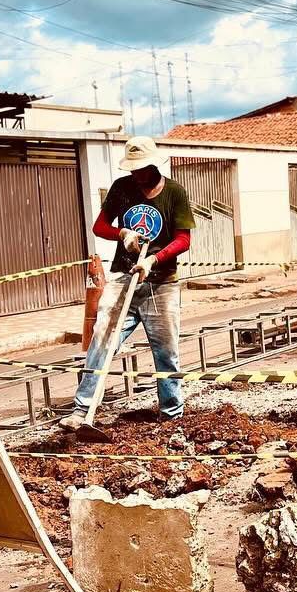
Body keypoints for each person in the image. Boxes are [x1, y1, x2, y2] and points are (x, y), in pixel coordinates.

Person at [60, 136, 194, 428]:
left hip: (162, 283)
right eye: (132, 169)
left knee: (166, 352)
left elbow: (183, 239)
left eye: (140, 169)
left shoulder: (175, 193)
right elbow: (99, 226)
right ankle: (82, 410)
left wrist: (152, 260)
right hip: (123, 277)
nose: (136, 174)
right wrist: (122, 233)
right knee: (102, 340)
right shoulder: (122, 188)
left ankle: (171, 416)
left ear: (153, 165)